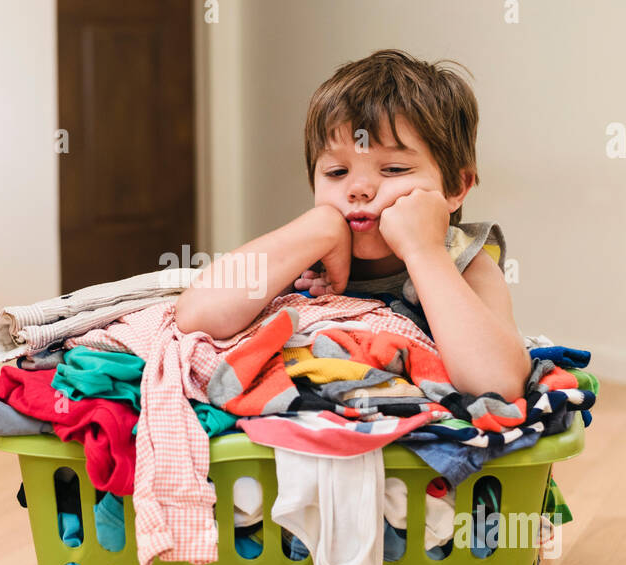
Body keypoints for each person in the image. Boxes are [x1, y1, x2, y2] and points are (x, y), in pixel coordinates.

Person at [174, 48, 530, 401]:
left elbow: (497, 384)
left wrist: (425, 252)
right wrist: (321, 228)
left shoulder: (463, 260)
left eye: (393, 169)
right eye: (337, 172)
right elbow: (196, 316)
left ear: (455, 188)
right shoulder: (304, 251)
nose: (358, 189)